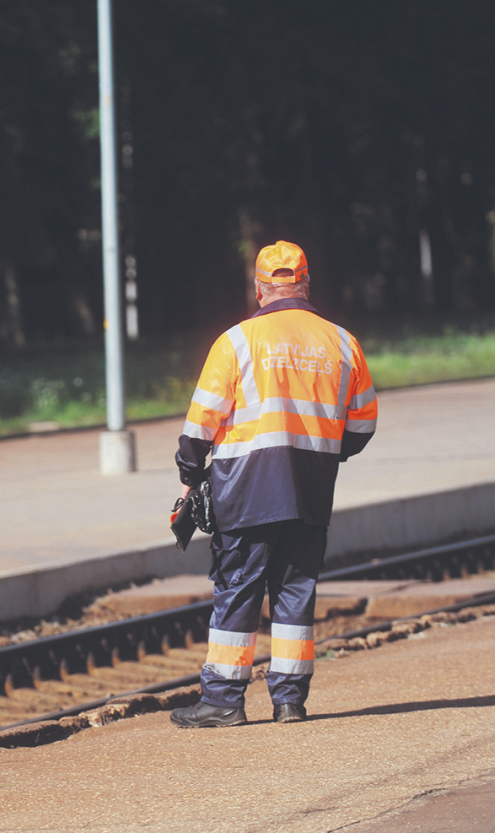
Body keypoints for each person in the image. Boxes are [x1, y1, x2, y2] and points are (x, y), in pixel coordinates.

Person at [170, 240, 377, 727]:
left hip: (247, 486)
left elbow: (201, 423)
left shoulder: (237, 340)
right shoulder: (342, 342)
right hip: (312, 486)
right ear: (304, 284)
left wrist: (189, 475)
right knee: (295, 589)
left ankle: (222, 701)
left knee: (239, 586)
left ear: (261, 288)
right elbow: (363, 423)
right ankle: (289, 701)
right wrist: (327, 452)